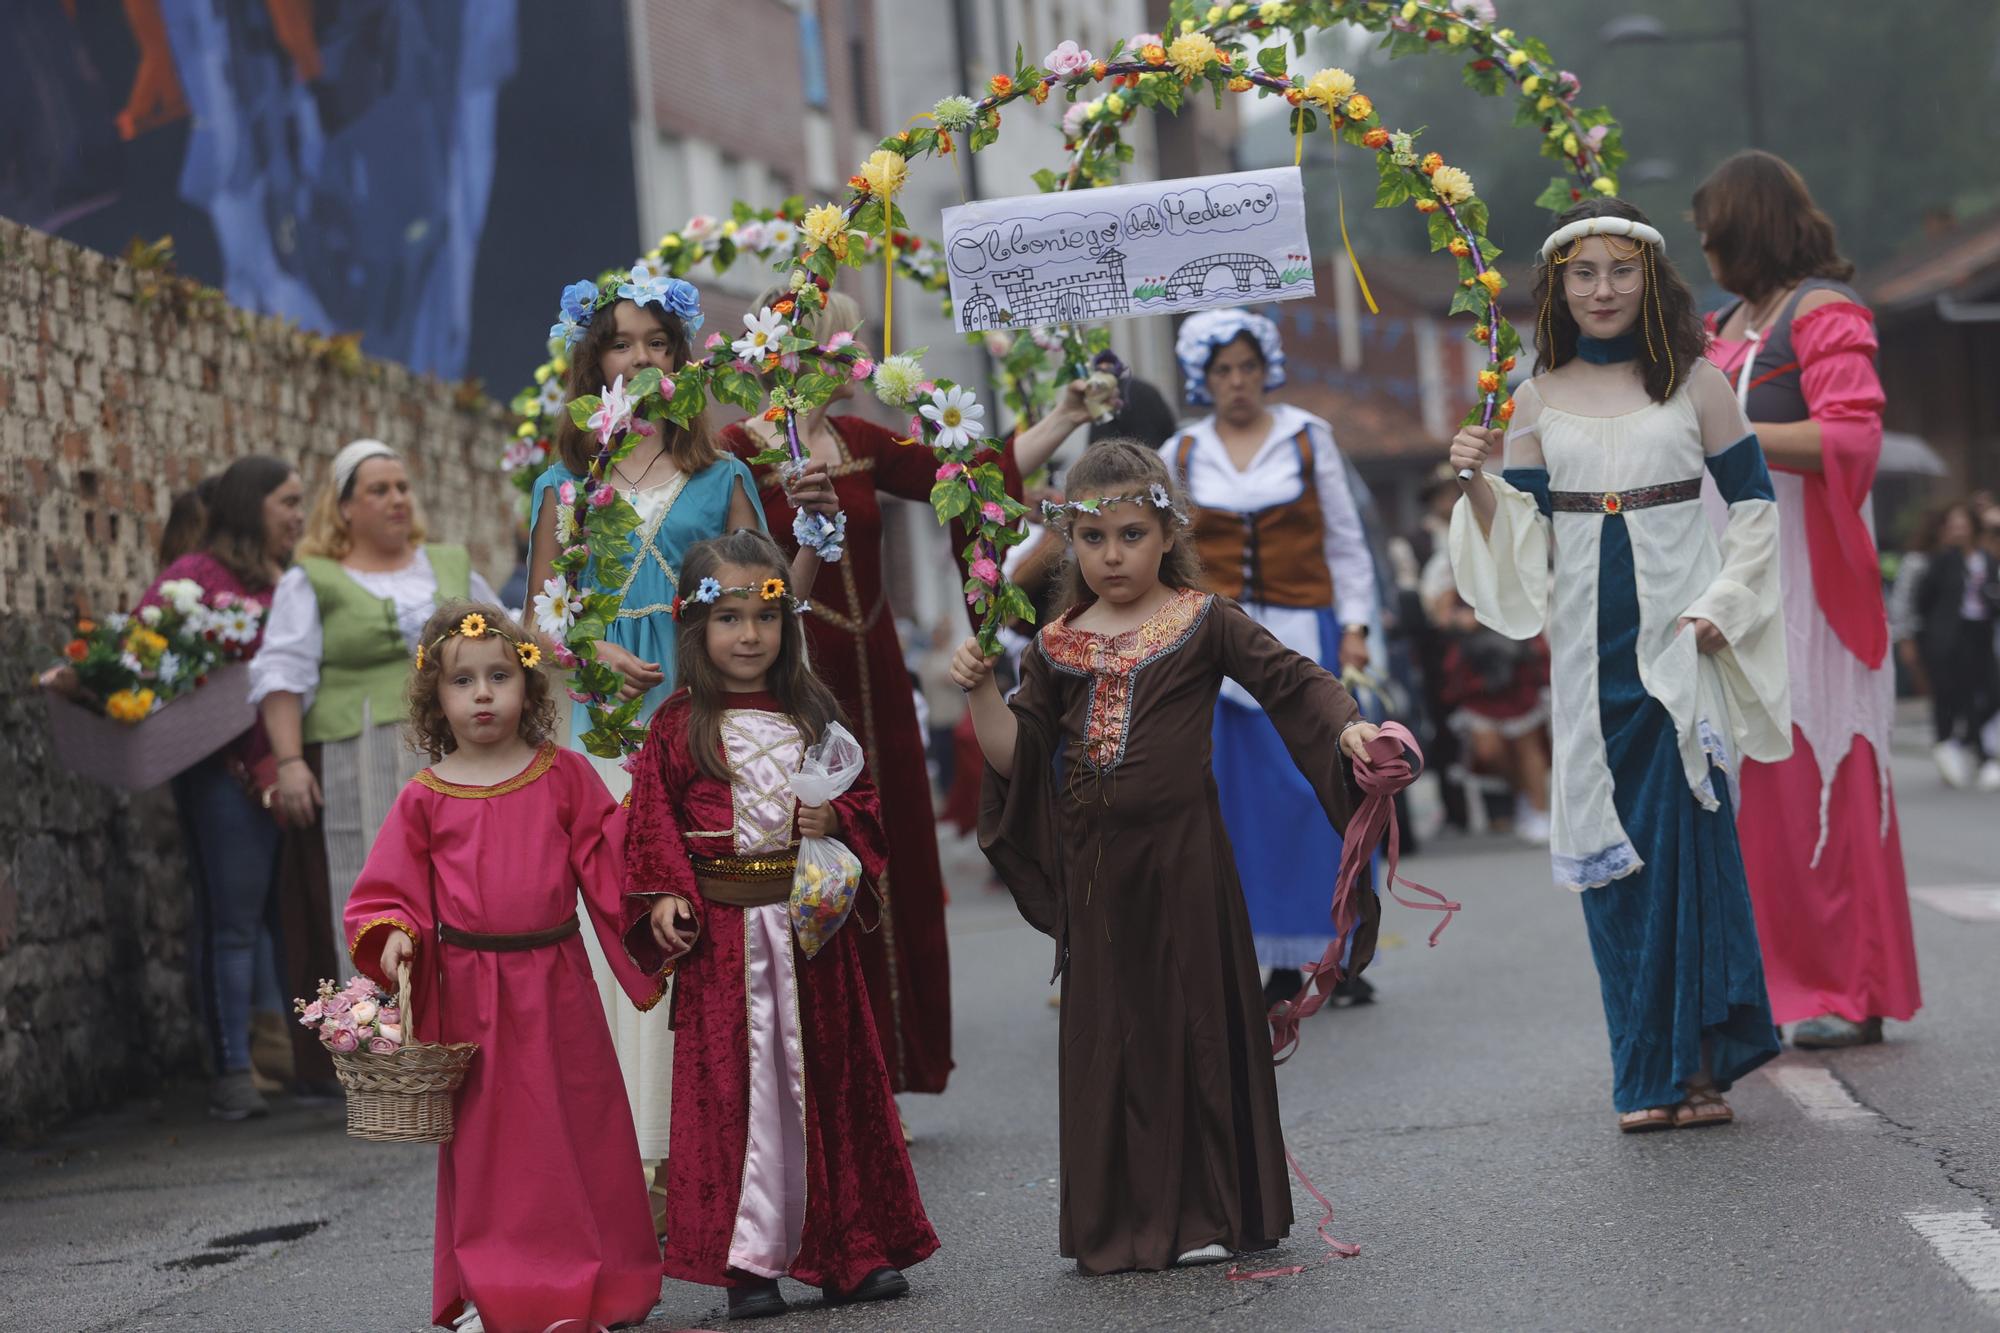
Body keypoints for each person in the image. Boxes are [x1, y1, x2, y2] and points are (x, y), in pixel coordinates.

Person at [956, 438, 1381, 1274]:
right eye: (1092, 539)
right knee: (1111, 1034)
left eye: (1131, 535)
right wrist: (974, 688)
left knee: (1197, 1026)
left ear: (1168, 534)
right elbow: (1015, 758)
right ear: (1069, 544)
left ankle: (1213, 1209)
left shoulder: (1203, 619)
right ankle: (1120, 1223)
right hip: (1095, 875)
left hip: (1186, 862)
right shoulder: (1055, 642)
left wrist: (1350, 726)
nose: (1112, 556)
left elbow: (1294, 681)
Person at [1449, 198, 1788, 1132]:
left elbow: (1756, 511)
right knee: (1618, 868)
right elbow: (1517, 549)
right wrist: (1478, 478)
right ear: (1558, 285)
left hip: (1683, 648)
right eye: (1584, 273)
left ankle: (1702, 1069)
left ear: (1653, 278)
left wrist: (1724, 605)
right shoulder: (1531, 397)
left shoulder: (1698, 384)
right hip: (1589, 667)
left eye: (1621, 270)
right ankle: (1647, 1075)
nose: (1603, 289)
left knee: (1691, 847)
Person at [720, 287, 1091, 1098]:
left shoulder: (859, 440)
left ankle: (883, 1067)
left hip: (876, 671)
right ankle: (804, 1074)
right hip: (789, 673)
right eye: (843, 344)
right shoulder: (736, 453)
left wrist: (1063, 419)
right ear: (796, 355)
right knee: (799, 853)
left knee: (884, 856)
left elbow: (962, 474)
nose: (858, 358)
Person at [524, 272, 828, 1219]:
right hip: (603, 724)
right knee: (617, 920)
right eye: (621, 345)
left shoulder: (725, 477)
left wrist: (816, 527)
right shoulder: (563, 488)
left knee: (702, 919)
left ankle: (706, 1155)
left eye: (658, 343)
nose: (642, 359)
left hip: (702, 716)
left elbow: (772, 601)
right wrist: (582, 648)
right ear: (594, 363)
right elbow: (531, 623)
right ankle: (626, 1163)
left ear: (681, 360)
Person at [624, 531, 937, 1319]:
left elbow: (865, 806)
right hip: (723, 944)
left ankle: (849, 1250)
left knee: (826, 1085)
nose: (748, 636)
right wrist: (664, 894)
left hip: (808, 939)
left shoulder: (813, 711)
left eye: (763, 619)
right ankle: (747, 1263)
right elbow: (650, 824)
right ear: (695, 627)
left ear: (787, 626)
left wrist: (835, 816)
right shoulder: (675, 726)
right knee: (732, 1097)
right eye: (728, 618)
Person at [346, 602, 677, 1333]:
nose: (485, 693)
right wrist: (394, 935)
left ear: (529, 687)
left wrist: (654, 910)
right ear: (437, 697)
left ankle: (608, 1285)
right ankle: (496, 1291)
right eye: (464, 681)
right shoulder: (423, 800)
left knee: (581, 1130)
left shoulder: (565, 777)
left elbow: (610, 861)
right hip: (471, 997)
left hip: (558, 985)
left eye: (501, 675)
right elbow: (385, 894)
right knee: (494, 1150)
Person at [1694, 150, 1924, 1046]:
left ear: (1747, 229)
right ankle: (1782, 980)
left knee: (1818, 770)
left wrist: (1729, 430)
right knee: (1758, 789)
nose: (1704, 249)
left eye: (1714, 233)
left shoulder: (1823, 313)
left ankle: (1846, 983)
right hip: (1742, 575)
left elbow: (1851, 436)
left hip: (1808, 578)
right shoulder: (1728, 322)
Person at [42, 456, 307, 1120]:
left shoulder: (298, 580)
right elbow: (140, 655)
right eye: (289, 502)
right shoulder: (194, 576)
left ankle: (287, 1058)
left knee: (287, 915)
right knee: (234, 921)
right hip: (225, 775)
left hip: (296, 769)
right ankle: (233, 1070)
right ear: (252, 507)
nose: (301, 516)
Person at [1162, 308, 1380, 1005]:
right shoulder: (1182, 451)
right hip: (1219, 649)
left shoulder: (1308, 438)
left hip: (1305, 635)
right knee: (1241, 806)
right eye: (1224, 370)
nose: (1237, 383)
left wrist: (1356, 626)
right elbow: (1164, 551)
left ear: (1267, 370)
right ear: (1204, 376)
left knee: (1320, 796)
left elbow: (1346, 542)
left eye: (1248, 368)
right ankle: (1273, 959)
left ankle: (1341, 949)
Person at [251, 440, 495, 953]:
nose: (396, 500)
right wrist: (290, 762)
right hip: (353, 758)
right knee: (367, 879)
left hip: (454, 754)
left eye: (402, 488)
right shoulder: (313, 579)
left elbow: (510, 643)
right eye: (378, 491)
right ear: (344, 508)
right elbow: (282, 675)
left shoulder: (449, 565)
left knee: (459, 880)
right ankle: (369, 1026)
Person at [1916, 502, 2000, 788]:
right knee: (1958, 696)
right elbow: (1923, 602)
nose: (1959, 530)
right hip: (1950, 637)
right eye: (1953, 525)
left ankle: (1964, 743)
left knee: (1991, 690)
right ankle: (1981, 756)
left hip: (1981, 632)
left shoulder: (1986, 560)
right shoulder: (1941, 561)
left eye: (1963, 524)